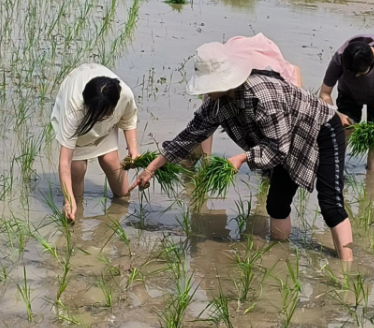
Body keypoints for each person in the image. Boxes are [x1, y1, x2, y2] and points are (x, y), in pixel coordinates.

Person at [130, 43, 354, 261]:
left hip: (321, 129)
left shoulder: (262, 95)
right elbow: (190, 135)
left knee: (330, 203)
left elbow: (278, 147)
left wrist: (242, 158)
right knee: (276, 203)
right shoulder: (217, 102)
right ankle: (279, 256)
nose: (206, 92)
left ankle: (347, 268)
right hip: (283, 138)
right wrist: (150, 169)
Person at [51, 63, 139, 222]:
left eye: (104, 113)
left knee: (111, 163)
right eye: (97, 114)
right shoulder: (74, 107)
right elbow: (65, 161)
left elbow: (129, 119)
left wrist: (133, 149)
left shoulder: (124, 95)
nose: (100, 118)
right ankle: (75, 213)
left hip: (106, 125)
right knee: (76, 169)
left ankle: (118, 213)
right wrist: (68, 200)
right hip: (81, 127)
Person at [198, 33, 302, 157]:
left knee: (286, 131)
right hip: (238, 52)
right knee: (209, 108)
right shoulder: (219, 77)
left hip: (262, 59)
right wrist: (206, 162)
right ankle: (198, 158)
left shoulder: (265, 87)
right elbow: (202, 126)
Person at [319, 35, 374, 172]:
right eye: (351, 73)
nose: (356, 77)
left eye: (360, 74)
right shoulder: (339, 57)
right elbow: (324, 93)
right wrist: (336, 114)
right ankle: (334, 171)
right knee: (343, 129)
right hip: (349, 93)